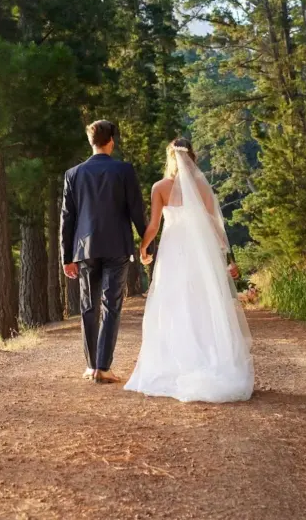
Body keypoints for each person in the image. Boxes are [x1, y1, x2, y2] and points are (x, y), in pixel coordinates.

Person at [125, 138, 254, 403]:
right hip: (200, 253)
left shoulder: (160, 187)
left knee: (172, 303)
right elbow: (216, 227)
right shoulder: (202, 188)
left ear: (170, 158)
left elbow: (154, 225)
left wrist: (143, 247)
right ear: (192, 158)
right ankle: (210, 359)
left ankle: (176, 361)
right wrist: (228, 258)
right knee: (203, 303)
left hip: (174, 252)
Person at [60, 120, 148, 384]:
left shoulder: (73, 174)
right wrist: (147, 244)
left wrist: (67, 257)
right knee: (112, 305)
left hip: (85, 249)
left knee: (89, 306)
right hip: (117, 247)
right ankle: (104, 367)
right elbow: (137, 211)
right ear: (112, 141)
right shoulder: (124, 170)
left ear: (91, 141)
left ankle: (91, 366)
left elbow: (67, 218)